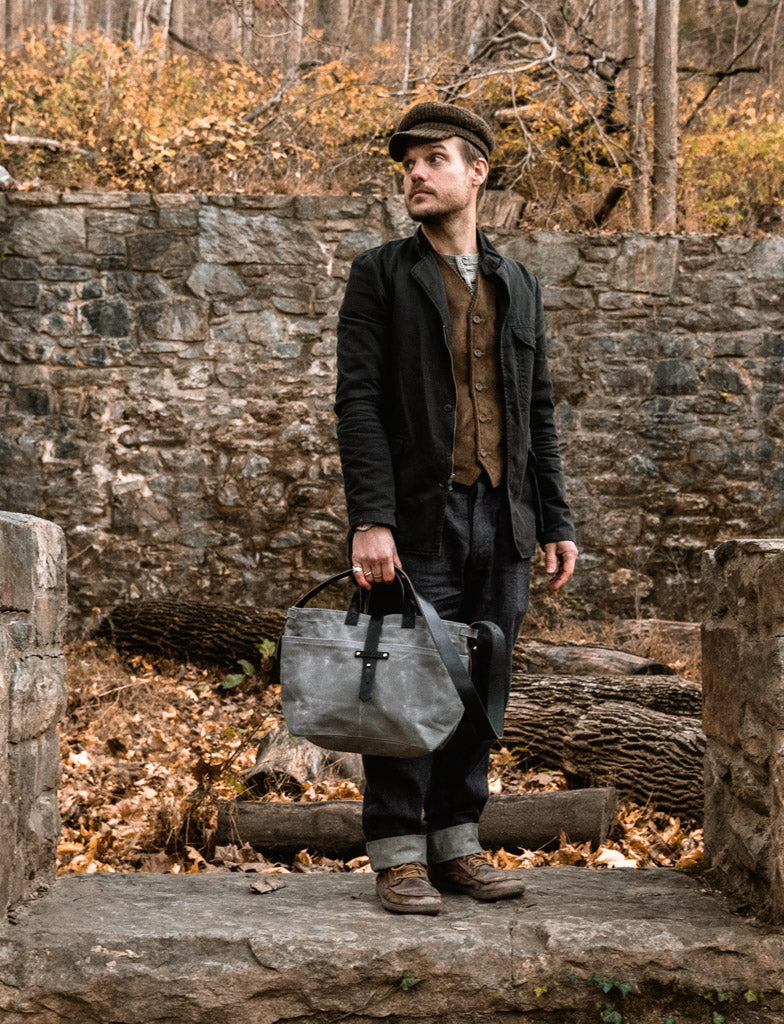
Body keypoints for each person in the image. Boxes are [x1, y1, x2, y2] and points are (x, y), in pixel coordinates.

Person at [334, 100, 578, 915]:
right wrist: (371, 518)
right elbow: (358, 403)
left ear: (478, 172)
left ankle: (457, 843)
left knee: (482, 685)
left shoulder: (521, 285)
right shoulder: (381, 275)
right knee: (404, 683)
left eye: (433, 159)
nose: (415, 173)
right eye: (408, 162)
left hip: (503, 522)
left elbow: (534, 409)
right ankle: (398, 854)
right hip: (415, 523)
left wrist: (556, 520)